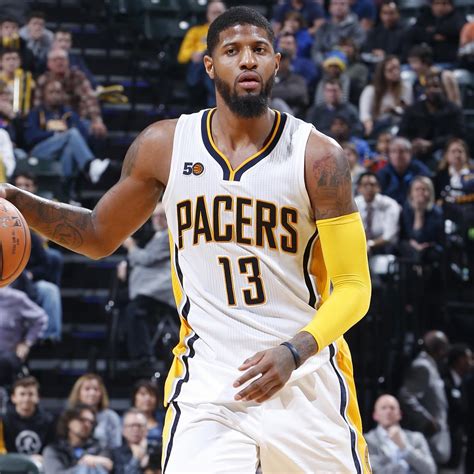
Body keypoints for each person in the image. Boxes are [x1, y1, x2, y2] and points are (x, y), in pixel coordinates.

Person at [0, 7, 372, 472]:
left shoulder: (318, 157)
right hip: (209, 385)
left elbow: (354, 287)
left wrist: (294, 351)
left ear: (276, 62)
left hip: (306, 378)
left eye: (259, 49)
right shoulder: (166, 145)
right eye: (232, 51)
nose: (248, 60)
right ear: (210, 65)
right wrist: (17, 199)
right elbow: (97, 235)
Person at [24, 79, 110, 200]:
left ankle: (65, 194)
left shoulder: (68, 112)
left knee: (70, 147)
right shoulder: (37, 112)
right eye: (51, 92)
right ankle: (90, 165)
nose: (55, 95)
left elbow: (83, 135)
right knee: (71, 134)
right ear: (44, 94)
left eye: (58, 92)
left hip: (62, 157)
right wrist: (55, 135)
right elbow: (30, 137)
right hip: (40, 152)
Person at [120, 202, 175, 372]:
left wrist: (131, 247)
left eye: (162, 216)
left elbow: (146, 259)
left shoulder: (168, 236)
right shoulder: (157, 236)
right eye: (155, 216)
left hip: (158, 291)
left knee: (134, 311)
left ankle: (143, 358)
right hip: (146, 289)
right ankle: (130, 353)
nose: (157, 220)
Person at [399, 330, 451, 465]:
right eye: (444, 348)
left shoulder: (431, 365)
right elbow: (406, 395)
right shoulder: (423, 366)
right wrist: (427, 420)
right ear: (439, 349)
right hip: (426, 437)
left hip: (435, 437)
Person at [398, 69, 466, 168]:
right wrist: (413, 143)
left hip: (444, 152)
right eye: (428, 87)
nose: (432, 90)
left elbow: (459, 134)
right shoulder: (412, 110)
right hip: (416, 153)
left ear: (443, 88)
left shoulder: (454, 110)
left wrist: (432, 144)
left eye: (436, 86)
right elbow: (402, 133)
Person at [34, 48, 107, 139]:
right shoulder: (43, 80)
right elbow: (38, 106)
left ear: (68, 61)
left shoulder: (77, 76)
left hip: (77, 119)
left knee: (94, 129)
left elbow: (90, 99)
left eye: (62, 59)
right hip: (51, 120)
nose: (59, 62)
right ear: (48, 64)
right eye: (55, 60)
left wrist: (97, 121)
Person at [365, 394, 436, 473]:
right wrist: (402, 466)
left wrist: (405, 448)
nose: (388, 411)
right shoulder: (367, 440)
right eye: (383, 408)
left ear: (400, 414)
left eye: (392, 408)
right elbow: (374, 470)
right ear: (375, 415)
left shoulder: (416, 438)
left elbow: (430, 470)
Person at [0, 376, 55, 468]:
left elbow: (52, 448)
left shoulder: (48, 420)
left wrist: (44, 458)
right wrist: (26, 459)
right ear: (13, 397)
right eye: (22, 394)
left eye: (31, 394)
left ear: (38, 397)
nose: (26, 399)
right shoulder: (3, 420)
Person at [42, 404, 113, 473]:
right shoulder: (54, 450)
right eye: (82, 420)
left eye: (91, 422)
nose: (87, 425)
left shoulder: (99, 447)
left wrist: (96, 461)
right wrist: (82, 466)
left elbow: (108, 465)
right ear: (69, 421)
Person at [0, 286, 47, 387]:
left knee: (4, 362)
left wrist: (27, 343)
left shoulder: (16, 298)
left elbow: (41, 319)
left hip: (8, 355)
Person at [359, 55, 413, 137]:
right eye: (391, 70)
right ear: (382, 72)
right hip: (378, 126)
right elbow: (365, 114)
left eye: (397, 68)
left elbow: (409, 109)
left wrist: (394, 110)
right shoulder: (370, 90)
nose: (395, 72)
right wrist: (369, 126)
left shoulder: (406, 87)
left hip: (400, 125)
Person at [67, 373, 122, 450]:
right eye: (87, 389)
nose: (92, 393)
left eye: (96, 389)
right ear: (78, 393)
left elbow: (116, 446)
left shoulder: (111, 416)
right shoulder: (69, 415)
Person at [441, 343, 472, 472]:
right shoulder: (445, 382)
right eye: (469, 358)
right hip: (445, 442)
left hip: (458, 443)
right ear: (460, 360)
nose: (471, 363)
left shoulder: (463, 383)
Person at [399, 176, 444, 265]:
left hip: (429, 247)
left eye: (424, 189)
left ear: (430, 193)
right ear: (411, 193)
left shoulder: (436, 212)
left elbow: (428, 237)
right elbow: (407, 235)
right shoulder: (406, 210)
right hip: (410, 246)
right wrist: (418, 212)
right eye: (417, 189)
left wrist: (420, 212)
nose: (420, 192)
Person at [355, 172, 400, 256]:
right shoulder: (354, 205)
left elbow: (388, 236)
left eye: (372, 185)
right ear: (359, 188)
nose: (369, 188)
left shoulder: (390, 205)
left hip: (384, 249)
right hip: (358, 247)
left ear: (378, 188)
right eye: (365, 185)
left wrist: (369, 244)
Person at [407, 0, 466, 65]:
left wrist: (434, 30)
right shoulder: (426, 16)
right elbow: (414, 32)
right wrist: (432, 36)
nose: (440, 7)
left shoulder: (458, 16)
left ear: (451, 5)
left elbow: (458, 30)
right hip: (428, 62)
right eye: (437, 3)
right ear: (431, 5)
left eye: (444, 3)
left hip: (452, 61)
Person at [377, 137, 432, 206]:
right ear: (389, 154)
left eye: (401, 151)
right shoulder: (383, 173)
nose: (398, 155)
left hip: (415, 208)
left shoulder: (420, 170)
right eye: (393, 151)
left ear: (410, 153)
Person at [311, 0, 366, 64]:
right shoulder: (323, 28)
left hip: (349, 64)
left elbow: (358, 46)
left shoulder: (356, 27)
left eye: (342, 4)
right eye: (335, 4)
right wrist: (323, 63)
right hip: (326, 64)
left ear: (348, 7)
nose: (338, 7)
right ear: (330, 8)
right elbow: (316, 50)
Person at [111, 409, 161, 474]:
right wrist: (136, 458)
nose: (135, 429)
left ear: (146, 429)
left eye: (139, 425)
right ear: (123, 430)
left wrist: (149, 461)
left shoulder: (157, 449)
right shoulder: (115, 453)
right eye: (131, 426)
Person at [130, 380, 164, 451]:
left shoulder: (165, 421)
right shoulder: (124, 422)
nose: (147, 398)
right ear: (134, 397)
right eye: (143, 394)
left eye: (152, 395)